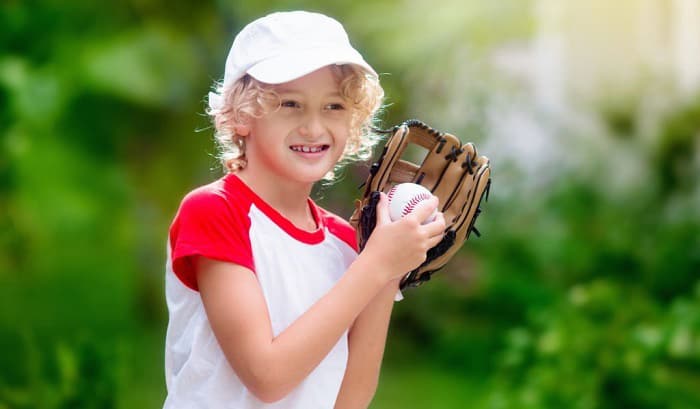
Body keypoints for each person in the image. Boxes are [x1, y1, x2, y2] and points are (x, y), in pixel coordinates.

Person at [163, 10, 445, 409]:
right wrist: (376, 265)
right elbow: (266, 376)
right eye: (290, 104)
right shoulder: (215, 211)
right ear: (243, 116)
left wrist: (387, 274)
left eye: (333, 107)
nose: (314, 127)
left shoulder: (348, 245)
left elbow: (350, 399)